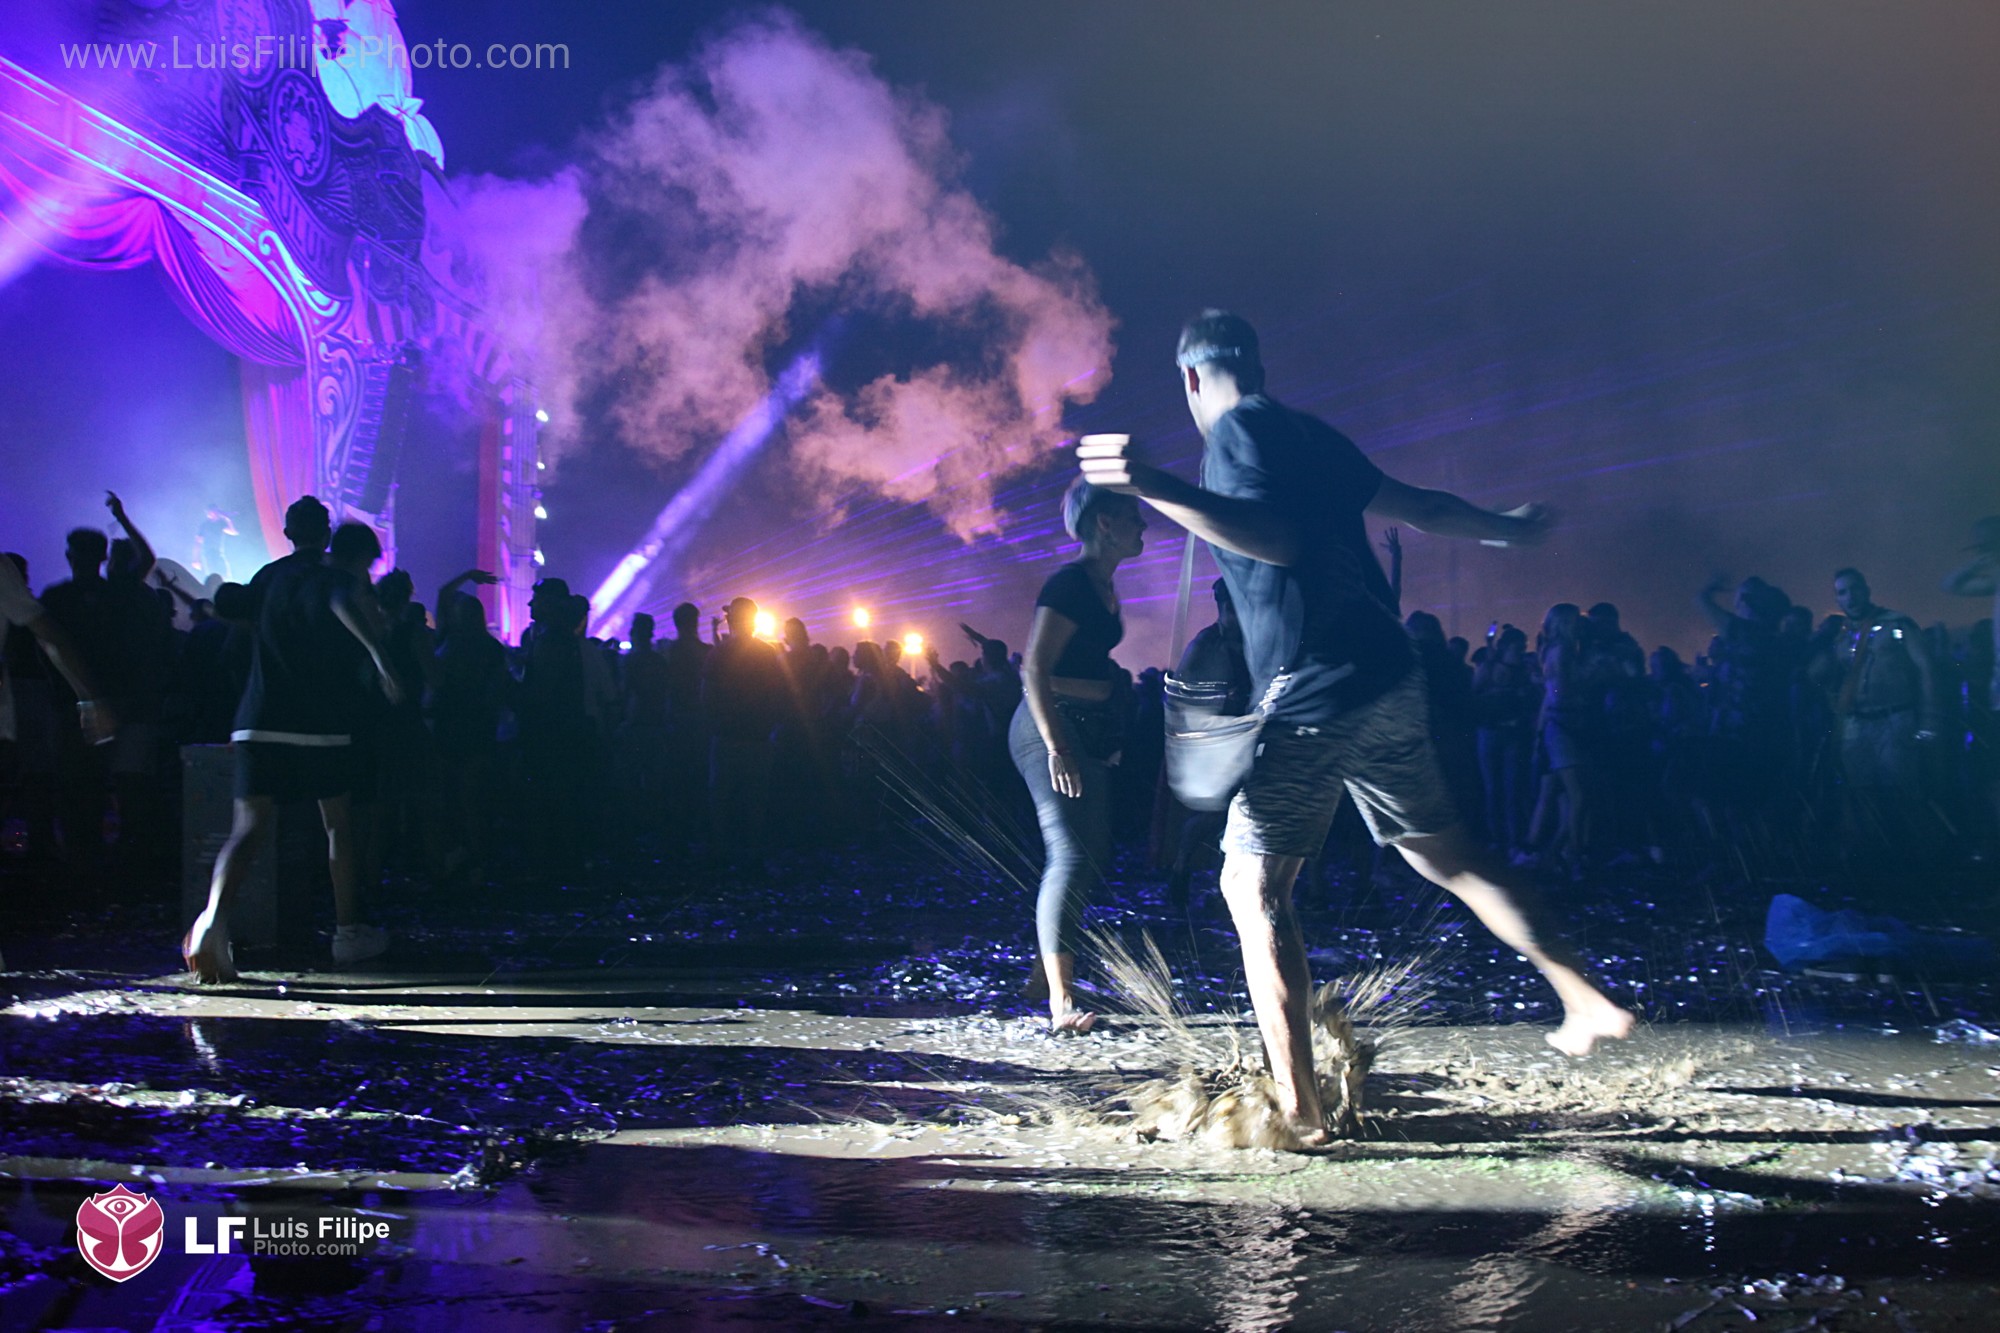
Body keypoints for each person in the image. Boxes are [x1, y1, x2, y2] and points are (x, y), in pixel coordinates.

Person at [1078, 310, 1632, 1145]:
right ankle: (1583, 996)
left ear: (1191, 379)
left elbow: (1278, 540)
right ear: (1255, 362)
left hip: (1314, 689)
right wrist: (1503, 527)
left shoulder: (1233, 434)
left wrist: (1154, 484)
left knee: (1252, 888)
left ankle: (1300, 1108)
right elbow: (1422, 506)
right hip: (1387, 674)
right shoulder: (1310, 432)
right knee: (1445, 854)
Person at [182, 519, 401, 981]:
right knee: (337, 825)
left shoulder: (270, 576)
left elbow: (228, 608)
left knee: (248, 829)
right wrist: (380, 658)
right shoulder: (333, 578)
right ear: (332, 541)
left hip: (258, 720)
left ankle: (212, 920)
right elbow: (342, 603)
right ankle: (347, 933)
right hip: (318, 722)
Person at [1010, 478, 1147, 1033]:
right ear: (1104, 523)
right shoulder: (1069, 584)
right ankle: (1061, 1003)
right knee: (1069, 854)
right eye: (1133, 516)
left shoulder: (1104, 585)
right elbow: (1034, 669)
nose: (1144, 525)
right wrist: (1057, 747)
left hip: (1082, 730)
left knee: (1089, 853)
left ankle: (1044, 971)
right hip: (1048, 728)